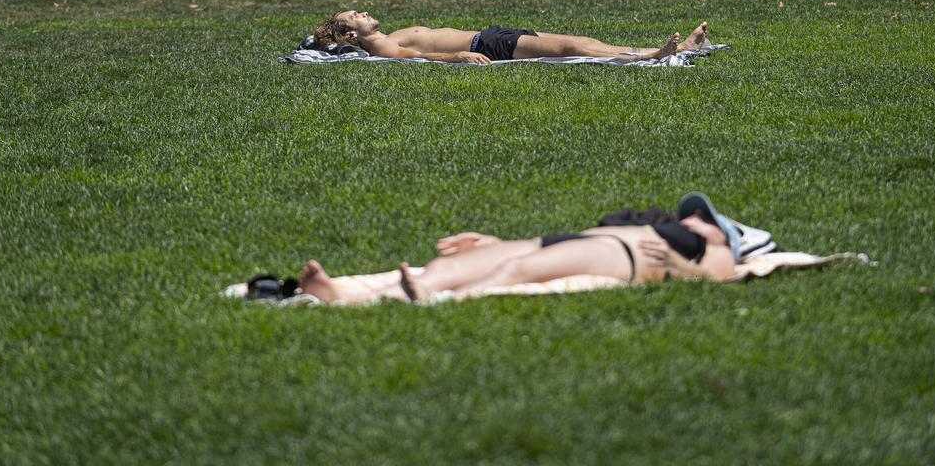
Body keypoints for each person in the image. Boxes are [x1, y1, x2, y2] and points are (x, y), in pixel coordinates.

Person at [295, 193, 744, 305]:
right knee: (451, 262)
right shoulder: (663, 224)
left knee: (516, 270)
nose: (694, 220)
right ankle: (346, 296)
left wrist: (681, 264)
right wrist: (492, 239)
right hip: (581, 240)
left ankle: (433, 300)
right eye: (694, 214)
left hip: (619, 256)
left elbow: (722, 277)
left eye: (707, 220)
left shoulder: (718, 253)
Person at [311, 10, 709, 64]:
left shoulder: (385, 35)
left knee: (578, 40)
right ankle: (655, 55)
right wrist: (459, 58)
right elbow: (414, 57)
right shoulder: (380, 45)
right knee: (573, 48)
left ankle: (648, 52)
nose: (363, 13)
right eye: (355, 16)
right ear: (351, 34)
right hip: (485, 46)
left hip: (491, 36)